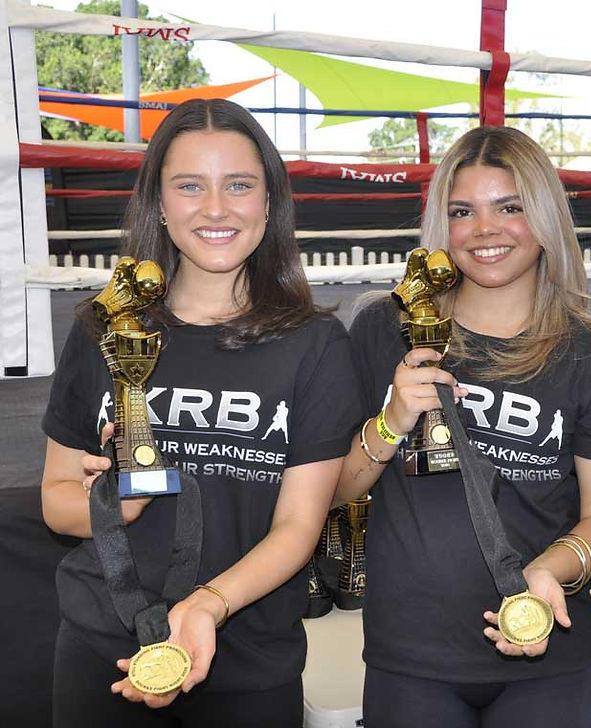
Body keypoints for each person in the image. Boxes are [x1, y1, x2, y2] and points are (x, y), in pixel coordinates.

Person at [40, 98, 363, 727]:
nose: (216, 208)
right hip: (100, 648)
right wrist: (115, 502)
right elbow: (55, 501)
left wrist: (209, 605)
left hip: (245, 657)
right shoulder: (101, 328)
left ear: (269, 202)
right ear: (159, 201)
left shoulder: (315, 345)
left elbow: (299, 526)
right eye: (190, 185)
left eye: (239, 185)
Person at [334, 125, 591, 727]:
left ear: (546, 217)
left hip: (547, 656)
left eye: (510, 207)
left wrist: (549, 571)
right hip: (411, 657)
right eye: (462, 211)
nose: (485, 229)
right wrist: (391, 422)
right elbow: (336, 489)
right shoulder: (384, 329)